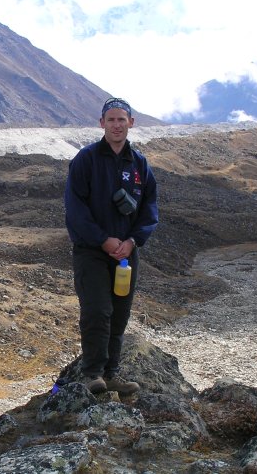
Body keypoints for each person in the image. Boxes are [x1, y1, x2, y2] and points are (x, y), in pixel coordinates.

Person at [64, 97, 159, 395]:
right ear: (101, 123)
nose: (117, 125)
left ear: (131, 123)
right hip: (91, 252)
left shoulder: (140, 164)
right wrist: (102, 239)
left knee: (119, 312)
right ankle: (92, 374)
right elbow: (75, 209)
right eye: (111, 119)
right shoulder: (86, 159)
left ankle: (112, 373)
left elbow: (149, 208)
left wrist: (132, 241)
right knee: (97, 310)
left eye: (122, 120)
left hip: (126, 256)